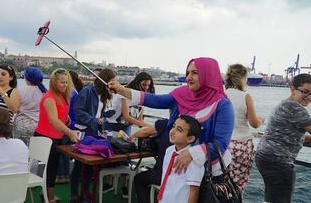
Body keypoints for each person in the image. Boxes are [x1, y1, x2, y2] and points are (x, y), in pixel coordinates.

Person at [109, 57, 234, 203]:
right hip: (179, 167)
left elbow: (221, 144)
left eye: (195, 73)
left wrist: (191, 154)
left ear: (208, 74)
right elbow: (154, 100)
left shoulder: (223, 105)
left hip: (208, 172)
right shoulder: (181, 94)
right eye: (187, 73)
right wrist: (122, 90)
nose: (189, 77)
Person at [255, 73, 311, 203]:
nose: (309, 97)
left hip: (265, 157)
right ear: (292, 88)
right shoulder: (295, 108)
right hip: (278, 162)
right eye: (305, 92)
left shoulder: (285, 103)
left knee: (272, 198)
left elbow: (290, 134)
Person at [71, 68, 116, 203]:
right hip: (82, 131)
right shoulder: (87, 91)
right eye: (112, 81)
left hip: (93, 131)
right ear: (105, 80)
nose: (114, 83)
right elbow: (78, 110)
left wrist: (103, 120)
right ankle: (74, 195)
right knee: (79, 165)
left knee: (90, 166)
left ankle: (84, 194)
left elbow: (99, 114)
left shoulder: (102, 94)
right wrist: (94, 120)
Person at [34, 68, 79, 203]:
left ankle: (47, 196)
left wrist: (66, 118)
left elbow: (60, 114)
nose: (65, 85)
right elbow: (53, 120)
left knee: (51, 169)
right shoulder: (49, 98)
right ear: (54, 83)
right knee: (43, 169)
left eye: (66, 82)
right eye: (61, 83)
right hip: (44, 137)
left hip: (55, 138)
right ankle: (49, 197)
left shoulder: (62, 96)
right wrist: (70, 132)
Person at [225, 64, 264, 191]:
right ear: (243, 78)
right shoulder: (245, 96)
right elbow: (254, 123)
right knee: (237, 186)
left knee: (222, 182)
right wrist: (261, 120)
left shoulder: (222, 95)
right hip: (241, 145)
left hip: (224, 144)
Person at [158, 115, 204, 203]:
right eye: (173, 126)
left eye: (179, 130)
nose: (172, 131)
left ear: (190, 138)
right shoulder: (169, 151)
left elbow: (194, 192)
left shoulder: (192, 160)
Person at [56, 70, 84, 184]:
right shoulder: (75, 91)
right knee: (66, 151)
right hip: (73, 124)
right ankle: (66, 175)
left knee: (59, 150)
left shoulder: (67, 92)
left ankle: (60, 175)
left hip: (66, 124)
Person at [13, 67, 47, 145]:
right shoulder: (44, 92)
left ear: (27, 78)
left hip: (21, 125)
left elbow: (16, 108)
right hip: (38, 125)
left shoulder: (20, 90)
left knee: (20, 149)